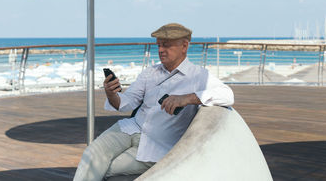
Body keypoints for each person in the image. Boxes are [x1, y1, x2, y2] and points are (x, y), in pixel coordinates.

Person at [73, 23, 234, 181]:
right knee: (90, 156)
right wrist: (111, 93)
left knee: (104, 169)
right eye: (158, 45)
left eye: (166, 45)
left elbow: (227, 95)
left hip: (157, 145)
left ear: (184, 46)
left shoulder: (199, 76)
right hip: (130, 128)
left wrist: (187, 98)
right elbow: (126, 103)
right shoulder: (150, 72)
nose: (160, 50)